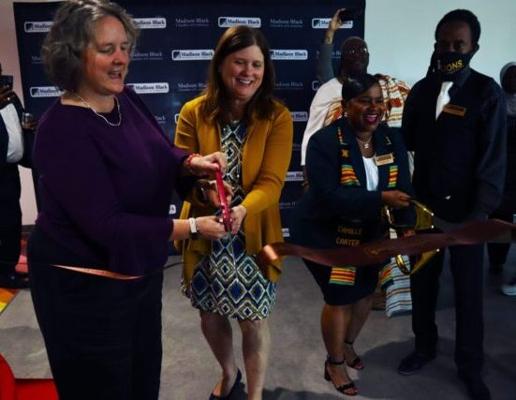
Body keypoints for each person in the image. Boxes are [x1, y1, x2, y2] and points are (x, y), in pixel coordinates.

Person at [28, 1, 227, 399]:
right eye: (107, 49)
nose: (121, 59)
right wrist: (192, 227)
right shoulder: (61, 130)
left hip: (137, 278)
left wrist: (193, 165)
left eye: (125, 47)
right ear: (73, 54)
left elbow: (161, 154)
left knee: (143, 381)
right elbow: (109, 226)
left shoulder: (127, 99)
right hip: (83, 291)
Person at [174, 25, 293, 400]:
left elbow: (272, 182)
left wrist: (242, 209)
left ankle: (254, 395)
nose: (248, 72)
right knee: (209, 314)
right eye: (240, 62)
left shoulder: (277, 116)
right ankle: (229, 373)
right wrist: (205, 191)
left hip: (251, 239)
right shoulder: (193, 112)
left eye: (256, 64)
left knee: (253, 321)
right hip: (206, 235)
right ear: (221, 64)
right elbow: (180, 174)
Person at [398, 10, 506, 400]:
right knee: (422, 284)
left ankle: (470, 366)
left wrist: (479, 215)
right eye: (444, 44)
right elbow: (408, 140)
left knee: (468, 293)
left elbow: (493, 159)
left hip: (467, 215)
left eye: (459, 44)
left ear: (474, 47)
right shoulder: (422, 90)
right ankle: (424, 346)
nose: (450, 50)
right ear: (435, 46)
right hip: (424, 209)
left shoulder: (487, 92)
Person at [290, 74, 414, 396]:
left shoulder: (391, 139)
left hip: (369, 231)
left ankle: (346, 345)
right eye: (364, 101)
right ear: (346, 106)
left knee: (365, 293)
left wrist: (408, 226)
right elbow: (329, 197)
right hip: (326, 233)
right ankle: (334, 363)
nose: (374, 108)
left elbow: (404, 188)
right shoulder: (325, 142)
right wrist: (381, 198)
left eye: (378, 101)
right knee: (340, 296)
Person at [300, 7, 410, 168]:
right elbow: (311, 136)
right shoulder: (329, 89)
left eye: (362, 52)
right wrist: (307, 170)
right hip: (340, 162)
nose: (357, 55)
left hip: (379, 162)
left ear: (368, 58)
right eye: (352, 52)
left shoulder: (381, 87)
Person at [0, 61, 36, 289]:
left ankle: (7, 270)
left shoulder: (10, 97)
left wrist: (29, 127)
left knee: (11, 221)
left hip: (9, 171)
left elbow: (20, 123)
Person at [488, 62, 516, 296]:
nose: (513, 81)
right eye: (510, 76)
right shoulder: (494, 102)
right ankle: (496, 260)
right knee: (499, 219)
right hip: (501, 171)